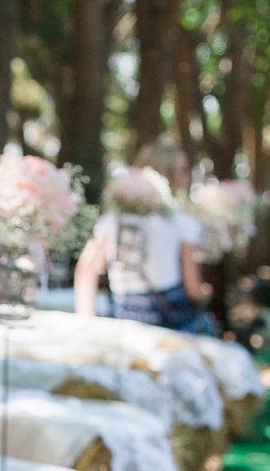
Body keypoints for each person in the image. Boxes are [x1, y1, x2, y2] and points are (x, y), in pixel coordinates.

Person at [72, 143, 214, 334]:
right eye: (182, 170)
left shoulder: (112, 219)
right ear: (169, 175)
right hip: (171, 319)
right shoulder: (183, 223)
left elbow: (86, 270)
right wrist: (205, 292)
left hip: (123, 313)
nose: (187, 176)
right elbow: (192, 288)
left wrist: (87, 323)